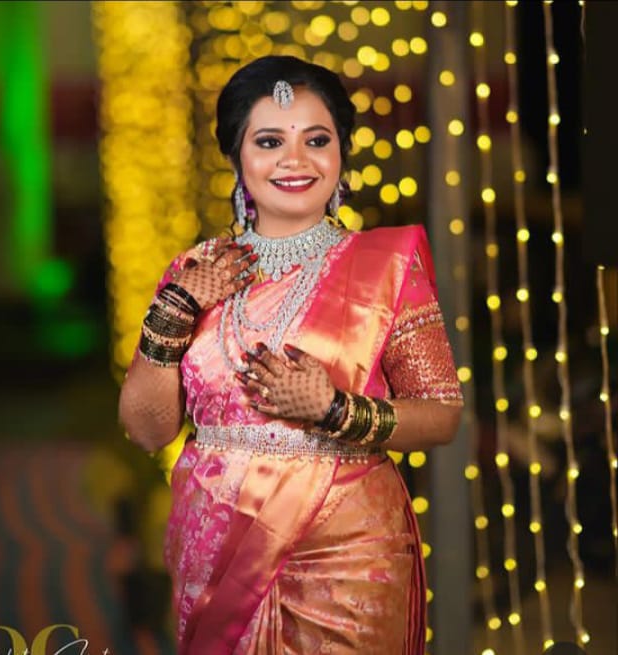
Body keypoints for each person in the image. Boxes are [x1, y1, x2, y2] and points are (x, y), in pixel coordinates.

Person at [119, 55, 463, 655]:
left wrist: (336, 411)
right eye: (270, 141)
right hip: (214, 548)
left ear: (342, 153)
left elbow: (442, 414)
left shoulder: (385, 268)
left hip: (348, 555)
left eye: (317, 140)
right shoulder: (194, 272)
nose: (295, 160)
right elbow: (148, 432)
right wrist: (174, 311)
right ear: (237, 155)